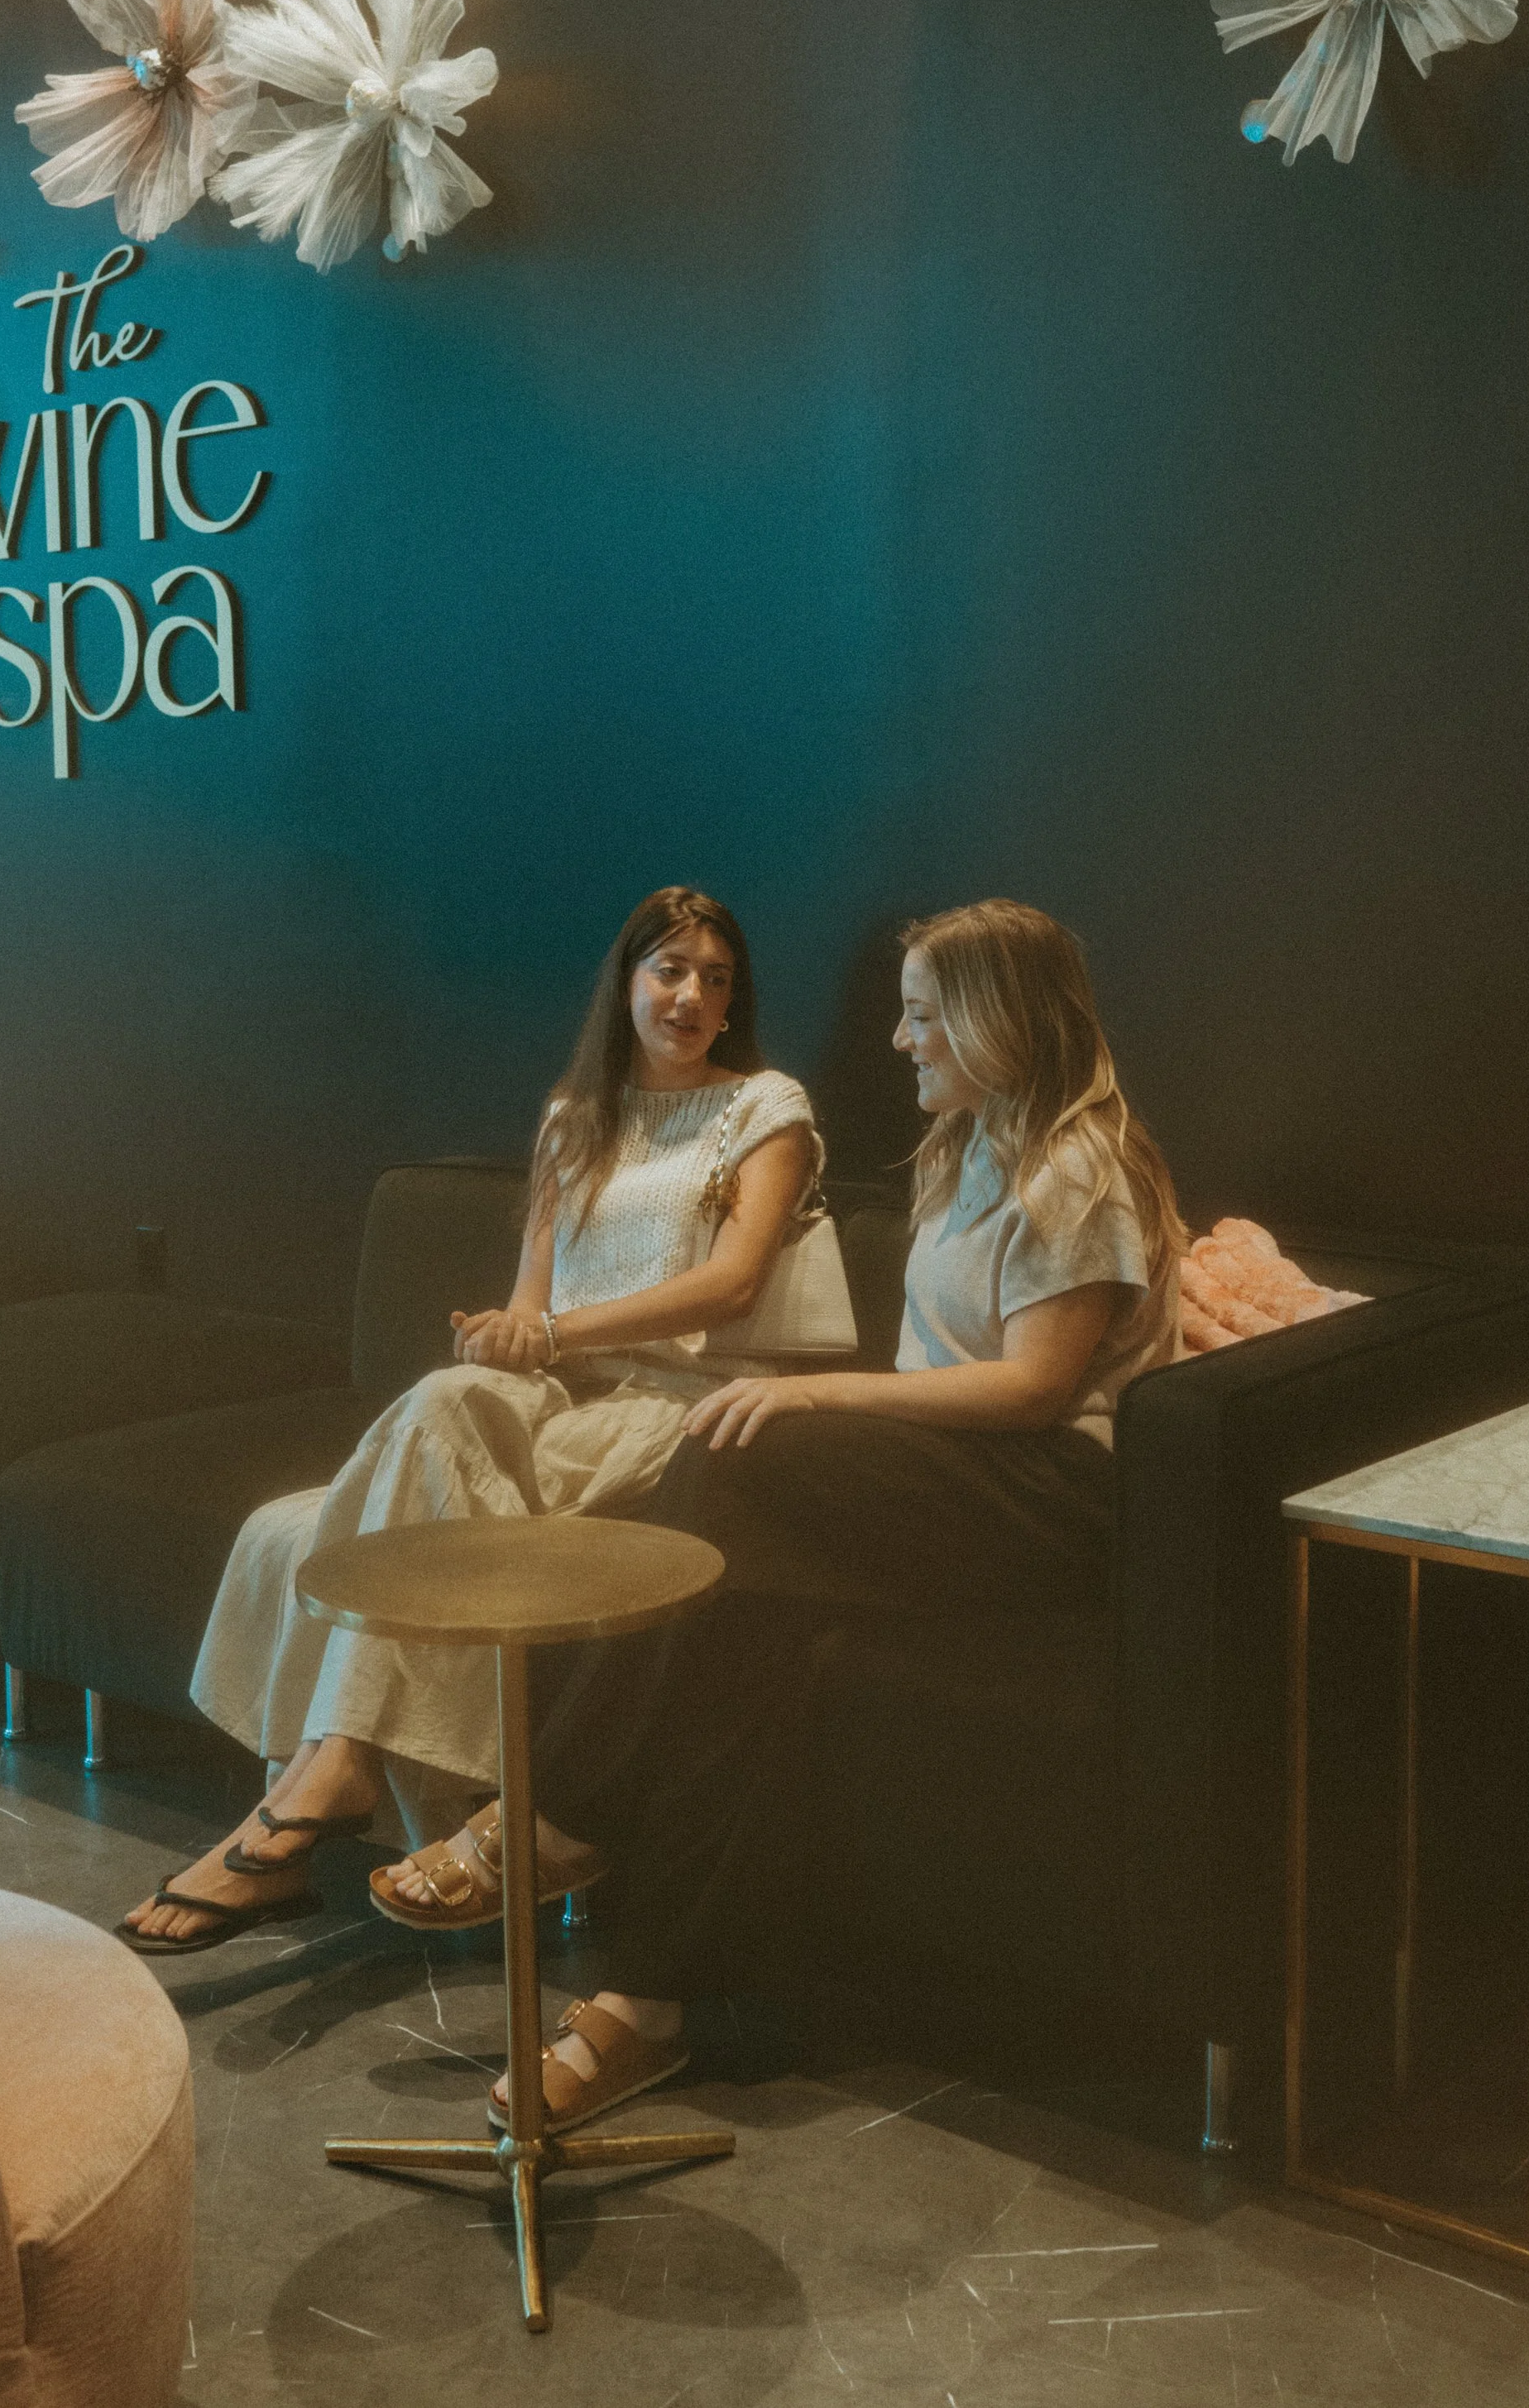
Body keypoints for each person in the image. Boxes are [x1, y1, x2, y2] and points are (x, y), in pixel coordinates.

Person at [440, 898, 1186, 2135]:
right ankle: (647, 2008)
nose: (901, 1040)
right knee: (750, 1627)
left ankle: (560, 1807)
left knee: (737, 1459)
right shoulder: (973, 1145)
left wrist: (820, 1394)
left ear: (999, 1020)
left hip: (1058, 1494)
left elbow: (1039, 1385)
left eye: (925, 1013)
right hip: (973, 1476)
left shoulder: (1082, 1159)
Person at [119, 885, 827, 1954]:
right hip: (563, 1391)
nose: (691, 994)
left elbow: (731, 1286)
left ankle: (327, 1767)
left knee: (404, 1491)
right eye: (670, 969)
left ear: (735, 1005)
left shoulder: (766, 1108)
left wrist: (553, 1336)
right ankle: (350, 1762)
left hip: (679, 1405)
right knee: (446, 1398)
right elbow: (534, 1299)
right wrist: (505, 1334)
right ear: (628, 982)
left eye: (715, 978)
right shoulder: (572, 1117)